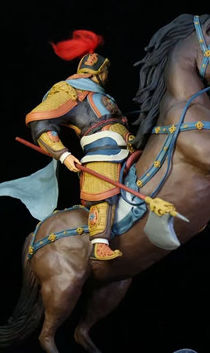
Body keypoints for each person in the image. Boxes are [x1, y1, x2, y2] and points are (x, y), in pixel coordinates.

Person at [26, 30, 134, 260]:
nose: (107, 76)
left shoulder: (103, 96)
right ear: (99, 72)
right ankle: (99, 243)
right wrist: (64, 155)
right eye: (105, 72)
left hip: (129, 148)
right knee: (104, 189)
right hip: (101, 153)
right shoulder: (69, 90)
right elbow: (39, 119)